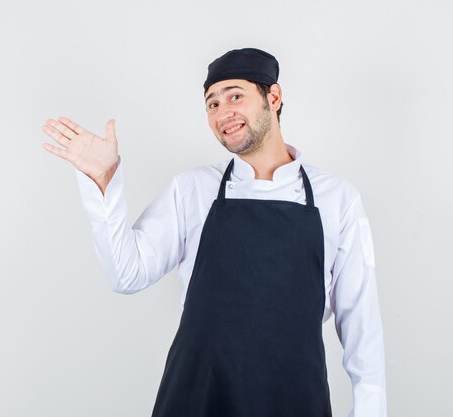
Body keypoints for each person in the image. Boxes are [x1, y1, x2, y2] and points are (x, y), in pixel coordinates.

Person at [41, 47, 386, 417]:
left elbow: (361, 327)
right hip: (197, 397)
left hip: (292, 398)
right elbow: (127, 274)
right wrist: (103, 180)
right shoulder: (192, 188)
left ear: (273, 96)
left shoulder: (337, 198)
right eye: (212, 104)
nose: (223, 113)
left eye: (235, 96)